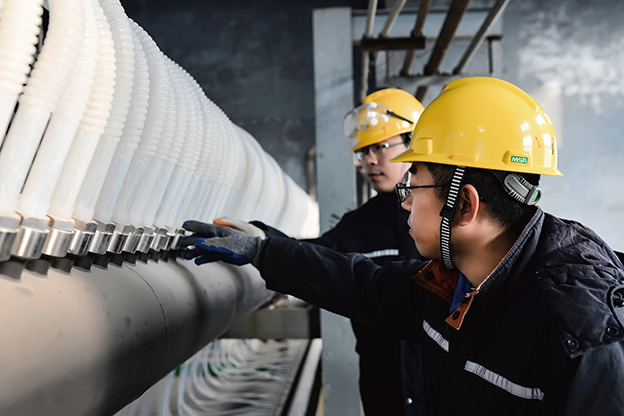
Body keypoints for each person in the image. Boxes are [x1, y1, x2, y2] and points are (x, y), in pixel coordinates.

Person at [182, 77, 624, 414]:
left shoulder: (582, 334)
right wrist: (263, 250)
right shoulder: (452, 284)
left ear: (464, 206)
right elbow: (359, 281)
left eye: (415, 185)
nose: (405, 201)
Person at [222, 88, 428, 415]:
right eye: (363, 152)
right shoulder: (359, 224)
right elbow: (316, 258)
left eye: (380, 147)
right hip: (383, 389)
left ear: (414, 143)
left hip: (440, 388)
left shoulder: (446, 218)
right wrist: (261, 241)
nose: (370, 160)